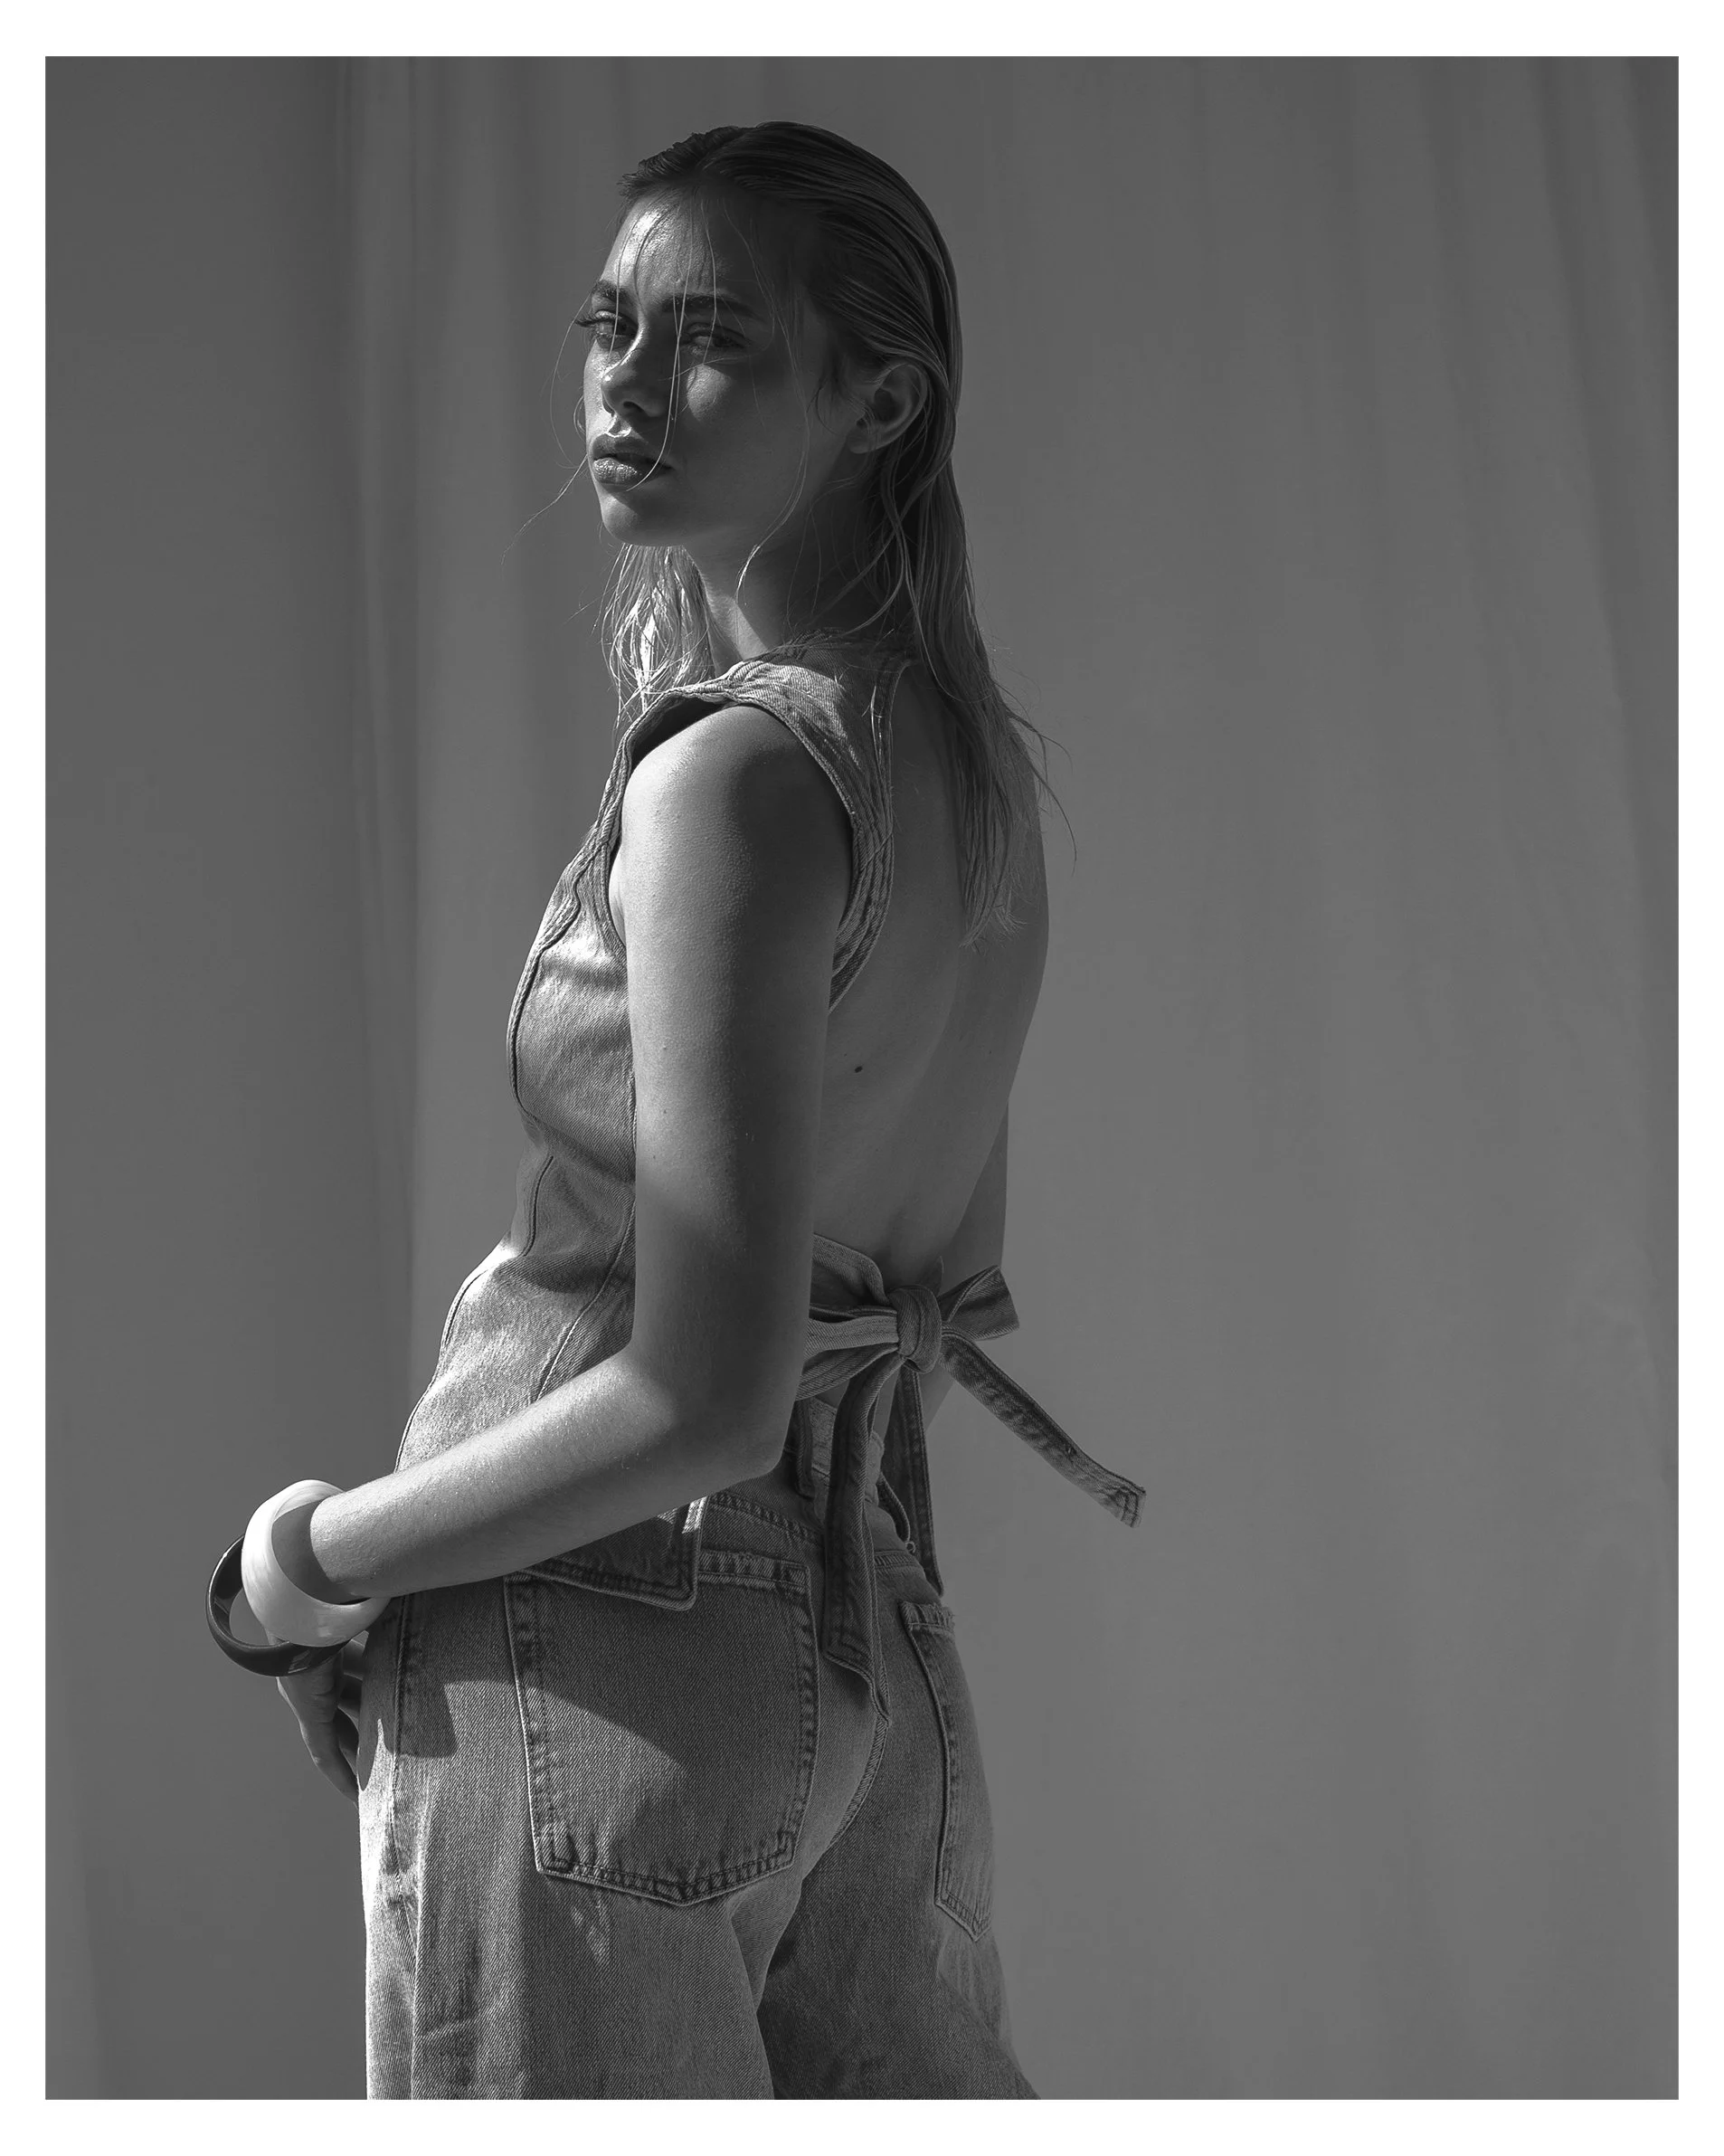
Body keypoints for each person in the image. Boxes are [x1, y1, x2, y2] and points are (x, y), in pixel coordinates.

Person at [259, 120, 1142, 2099]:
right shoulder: (971, 782)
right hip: (863, 1660)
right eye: (609, 328)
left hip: (593, 1656)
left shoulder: (738, 776)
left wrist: (305, 1563)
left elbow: (702, 1395)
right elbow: (916, 1297)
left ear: (880, 400)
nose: (630, 387)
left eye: (716, 338)